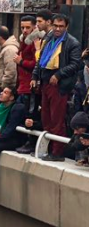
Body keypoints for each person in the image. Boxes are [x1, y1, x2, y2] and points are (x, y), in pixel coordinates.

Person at [32, 14, 83, 159]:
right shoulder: (48, 39)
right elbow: (40, 59)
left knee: (57, 119)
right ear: (52, 25)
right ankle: (48, 149)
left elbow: (75, 64)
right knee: (46, 117)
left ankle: (57, 152)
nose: (58, 28)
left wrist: (59, 75)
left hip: (59, 85)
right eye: (55, 25)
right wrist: (35, 76)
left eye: (61, 26)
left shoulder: (72, 43)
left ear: (66, 27)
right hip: (45, 81)